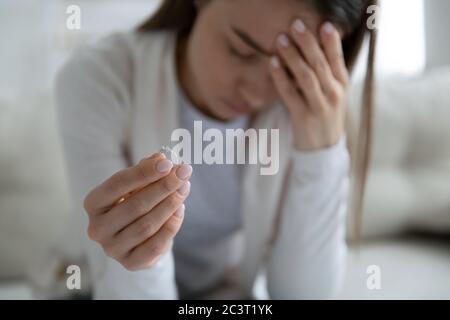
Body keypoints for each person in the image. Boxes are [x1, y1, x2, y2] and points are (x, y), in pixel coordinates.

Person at [55, 0, 377, 299]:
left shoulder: (299, 104)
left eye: (291, 68)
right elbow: (121, 284)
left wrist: (321, 154)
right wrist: (143, 250)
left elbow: (303, 295)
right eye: (241, 50)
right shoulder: (98, 79)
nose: (255, 91)